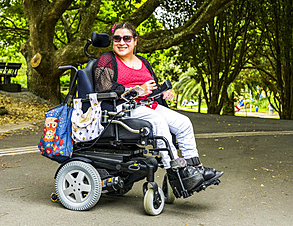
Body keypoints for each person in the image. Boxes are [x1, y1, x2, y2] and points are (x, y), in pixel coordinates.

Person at [93, 22, 223, 192]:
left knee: (183, 123)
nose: (121, 42)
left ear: (135, 41)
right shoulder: (108, 59)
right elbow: (103, 88)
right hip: (123, 108)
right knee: (158, 121)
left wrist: (164, 92)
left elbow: (153, 87)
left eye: (127, 38)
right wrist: (138, 90)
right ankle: (177, 171)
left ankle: (194, 169)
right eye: (117, 38)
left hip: (148, 105)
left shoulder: (143, 62)